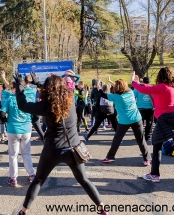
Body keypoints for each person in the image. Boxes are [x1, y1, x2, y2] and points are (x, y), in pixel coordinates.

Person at [14, 72, 109, 215]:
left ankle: (23, 211)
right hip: (73, 148)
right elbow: (60, 89)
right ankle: (103, 209)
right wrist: (38, 84)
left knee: (38, 181)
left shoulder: (46, 106)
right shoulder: (70, 99)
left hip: (53, 149)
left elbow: (22, 104)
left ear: (48, 89)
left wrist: (21, 85)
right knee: (83, 180)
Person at [131, 68, 174, 182]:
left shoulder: (162, 87)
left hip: (164, 118)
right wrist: (140, 83)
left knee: (157, 145)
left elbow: (144, 89)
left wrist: (133, 82)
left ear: (160, 76)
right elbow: (148, 87)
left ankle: (154, 174)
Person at [100, 76, 151, 165]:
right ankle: (147, 159)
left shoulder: (116, 97)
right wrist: (111, 81)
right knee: (141, 140)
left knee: (117, 139)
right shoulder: (131, 92)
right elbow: (121, 87)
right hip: (137, 119)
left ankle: (110, 157)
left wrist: (98, 84)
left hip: (124, 121)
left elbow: (102, 94)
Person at [0, 82, 35, 187]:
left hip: (13, 129)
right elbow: (34, 115)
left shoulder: (10, 99)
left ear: (15, 89)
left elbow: (2, 113)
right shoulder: (28, 99)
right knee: (26, 153)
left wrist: (6, 120)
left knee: (13, 155)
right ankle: (31, 174)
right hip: (26, 129)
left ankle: (13, 178)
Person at [133, 77, 154, 141]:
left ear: (143, 81)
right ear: (149, 82)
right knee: (149, 123)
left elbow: (133, 95)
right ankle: (147, 135)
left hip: (140, 108)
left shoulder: (138, 88)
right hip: (150, 108)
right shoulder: (152, 88)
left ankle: (140, 136)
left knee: (140, 123)